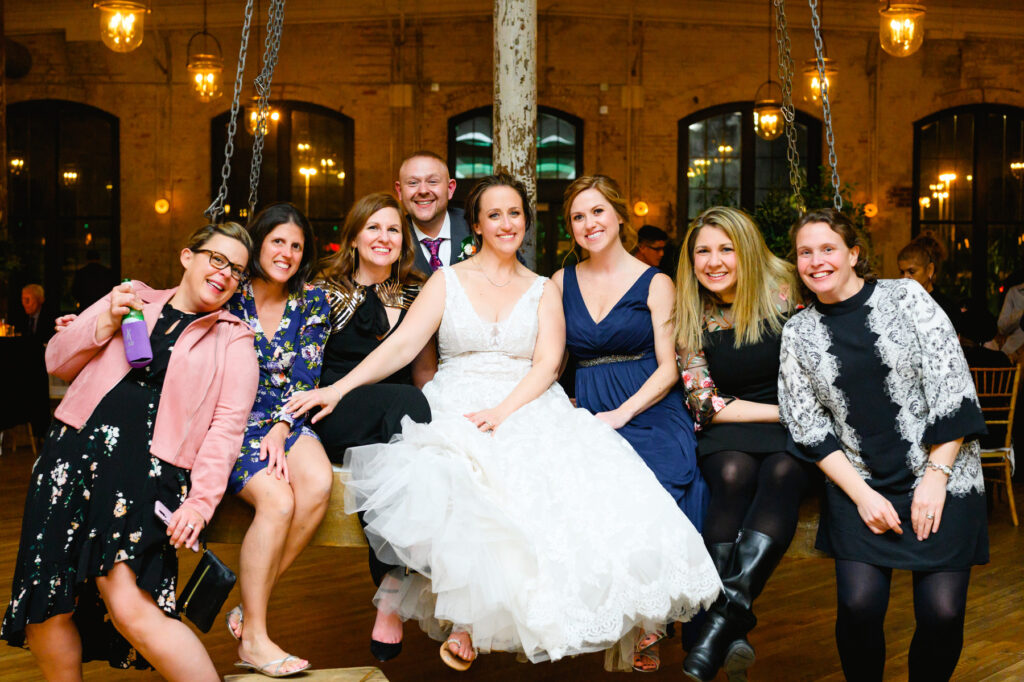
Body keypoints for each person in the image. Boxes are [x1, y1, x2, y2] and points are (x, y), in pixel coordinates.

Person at [285, 173, 721, 670]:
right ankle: (463, 616)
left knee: (558, 479)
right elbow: (402, 345)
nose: (506, 223)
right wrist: (338, 388)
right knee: (459, 476)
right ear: (476, 224)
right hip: (455, 396)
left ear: (527, 223)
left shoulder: (543, 288)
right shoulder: (446, 281)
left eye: (515, 213)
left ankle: (601, 615)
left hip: (527, 398)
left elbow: (548, 363)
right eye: (494, 214)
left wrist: (504, 410)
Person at [1, 223, 259, 682]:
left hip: (145, 472)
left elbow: (226, 429)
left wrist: (200, 503)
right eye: (217, 259)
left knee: (129, 605)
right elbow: (56, 361)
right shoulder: (131, 296)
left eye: (237, 271)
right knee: (46, 600)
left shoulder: (234, 339)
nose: (225, 274)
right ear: (188, 256)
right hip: (70, 455)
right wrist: (103, 323)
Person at [778, 209, 988, 682]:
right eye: (805, 252)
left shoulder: (908, 297)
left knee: (942, 613)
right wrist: (862, 495)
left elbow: (952, 388)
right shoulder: (798, 332)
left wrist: (936, 480)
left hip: (944, 476)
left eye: (828, 248)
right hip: (861, 484)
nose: (816, 261)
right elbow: (808, 425)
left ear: (853, 253)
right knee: (857, 607)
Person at [554, 175, 706, 673]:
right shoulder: (561, 281)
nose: (589, 224)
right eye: (578, 216)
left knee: (656, 481)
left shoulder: (656, 282)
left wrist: (622, 414)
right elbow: (550, 362)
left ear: (620, 216)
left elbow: (668, 367)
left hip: (648, 405)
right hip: (588, 404)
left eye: (598, 212)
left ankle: (652, 618)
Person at [674, 206, 810, 682]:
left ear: (746, 250)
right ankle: (726, 623)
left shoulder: (790, 289)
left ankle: (718, 623)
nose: (713, 261)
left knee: (782, 472)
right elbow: (705, 403)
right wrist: (784, 413)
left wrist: (796, 416)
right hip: (736, 423)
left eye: (725, 249)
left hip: (793, 426)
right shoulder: (690, 306)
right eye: (702, 251)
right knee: (732, 474)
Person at [311, 192, 434, 662]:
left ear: (403, 242)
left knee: (401, 436)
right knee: (405, 404)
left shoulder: (416, 292)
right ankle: (394, 581)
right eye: (374, 228)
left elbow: (422, 369)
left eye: (393, 230)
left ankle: (390, 585)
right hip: (331, 409)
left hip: (392, 422)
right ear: (355, 236)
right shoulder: (325, 289)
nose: (383, 238)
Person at [222, 202, 331, 677]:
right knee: (278, 501)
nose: (286, 252)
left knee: (319, 483)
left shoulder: (312, 302)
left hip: (287, 416)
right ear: (258, 243)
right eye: (277, 241)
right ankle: (257, 640)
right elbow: (174, 306)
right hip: (230, 419)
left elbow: (306, 376)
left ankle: (251, 609)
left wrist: (283, 426)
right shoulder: (228, 291)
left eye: (296, 245)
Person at [395, 150, 473, 274]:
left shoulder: (475, 227)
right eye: (413, 183)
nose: (423, 190)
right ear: (400, 191)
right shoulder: (391, 237)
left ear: (450, 188)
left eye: (432, 182)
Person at [897, 233, 962, 333]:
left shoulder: (947, 309)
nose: (905, 278)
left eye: (912, 271)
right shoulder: (898, 303)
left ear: (930, 269)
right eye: (902, 272)